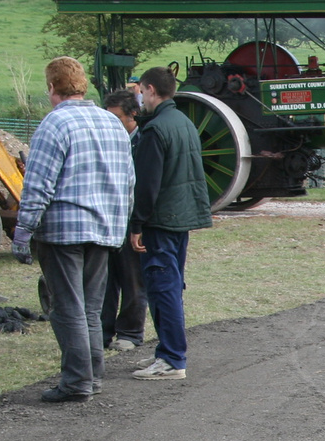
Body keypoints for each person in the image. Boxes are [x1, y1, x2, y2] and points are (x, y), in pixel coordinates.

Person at [11, 57, 135, 402]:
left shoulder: (54, 124)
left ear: (51, 87)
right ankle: (93, 377)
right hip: (105, 229)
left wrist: (22, 234)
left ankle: (77, 381)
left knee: (66, 307)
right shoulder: (112, 124)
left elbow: (38, 186)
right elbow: (128, 182)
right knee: (92, 308)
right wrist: (119, 226)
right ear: (82, 85)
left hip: (63, 230)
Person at [128, 66, 212, 382]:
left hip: (161, 221)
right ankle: (169, 353)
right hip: (182, 218)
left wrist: (137, 224)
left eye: (141, 91)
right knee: (172, 287)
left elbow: (148, 185)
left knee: (163, 288)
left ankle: (172, 358)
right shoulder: (185, 123)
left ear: (150, 90)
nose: (139, 98)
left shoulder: (155, 130)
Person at [100, 89, 147, 354]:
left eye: (116, 117)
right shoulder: (106, 141)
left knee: (132, 278)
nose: (111, 122)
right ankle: (103, 331)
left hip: (131, 220)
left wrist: (138, 224)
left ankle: (130, 332)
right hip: (108, 218)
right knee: (105, 279)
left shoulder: (143, 142)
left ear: (133, 115)